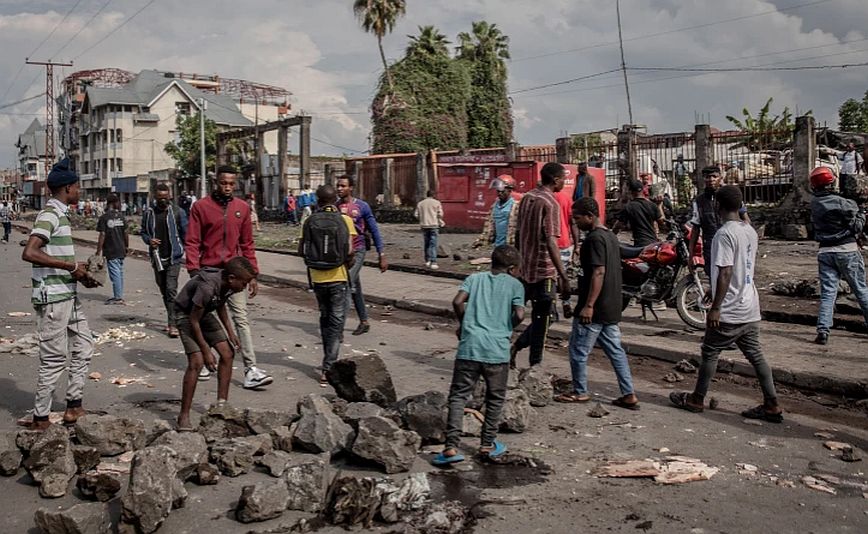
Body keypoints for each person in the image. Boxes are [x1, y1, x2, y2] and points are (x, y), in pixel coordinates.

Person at [670, 185, 782, 423]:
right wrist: (713, 290)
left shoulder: (723, 234)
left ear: (717, 206)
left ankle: (696, 400)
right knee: (756, 356)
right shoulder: (749, 230)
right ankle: (772, 404)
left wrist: (717, 307)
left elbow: (726, 272)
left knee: (710, 353)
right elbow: (739, 268)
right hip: (749, 306)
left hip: (729, 309)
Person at [20, 158, 99, 431]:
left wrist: (80, 275)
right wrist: (70, 267)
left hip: (67, 294)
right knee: (54, 358)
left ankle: (73, 405)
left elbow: (56, 257)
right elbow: (30, 252)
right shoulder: (50, 215)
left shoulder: (60, 214)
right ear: (67, 188)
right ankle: (41, 418)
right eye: (77, 187)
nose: (80, 191)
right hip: (53, 298)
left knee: (85, 345)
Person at [432, 245, 525, 466]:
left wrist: (465, 323)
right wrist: (506, 326)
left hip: (470, 347)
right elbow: (520, 314)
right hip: (497, 351)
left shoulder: (475, 279)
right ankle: (487, 444)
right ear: (512, 269)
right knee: (494, 398)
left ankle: (451, 447)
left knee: (458, 396)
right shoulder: (515, 285)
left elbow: (457, 301)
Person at [186, 165, 273, 390]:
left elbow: (247, 244)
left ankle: (251, 369)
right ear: (216, 182)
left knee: (241, 318)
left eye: (231, 184)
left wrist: (252, 274)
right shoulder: (201, 207)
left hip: (235, 274)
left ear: (236, 184)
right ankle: (205, 360)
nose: (227, 187)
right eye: (223, 183)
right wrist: (194, 269)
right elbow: (193, 240)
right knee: (202, 318)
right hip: (208, 272)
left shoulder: (242, 209)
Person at [554, 197, 639, 408]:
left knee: (578, 350)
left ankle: (580, 391)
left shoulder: (594, 240)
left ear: (590, 217)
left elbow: (598, 271)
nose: (575, 222)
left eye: (578, 218)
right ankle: (628, 393)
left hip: (595, 308)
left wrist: (588, 305)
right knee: (615, 351)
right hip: (610, 305)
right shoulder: (610, 236)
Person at [174, 257, 256, 431]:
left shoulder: (228, 285)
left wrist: (230, 332)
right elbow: (194, 320)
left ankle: (221, 406)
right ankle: (184, 415)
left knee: (228, 353)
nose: (245, 287)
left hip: (204, 313)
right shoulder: (207, 287)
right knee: (196, 361)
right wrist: (206, 351)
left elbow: (220, 305)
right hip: (186, 315)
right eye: (244, 283)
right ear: (232, 278)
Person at [511, 162, 571, 367]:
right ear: (555, 180)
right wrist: (563, 276)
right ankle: (533, 365)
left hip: (525, 269)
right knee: (544, 320)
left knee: (524, 316)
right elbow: (552, 242)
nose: (564, 182)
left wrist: (518, 262)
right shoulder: (550, 203)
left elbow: (518, 233)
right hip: (544, 271)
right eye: (563, 178)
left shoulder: (528, 197)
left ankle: (508, 349)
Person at [298, 185, 356, 385]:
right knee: (336, 322)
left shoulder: (309, 220)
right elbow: (349, 251)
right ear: (335, 200)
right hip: (338, 277)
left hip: (317, 278)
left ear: (318, 200)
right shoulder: (345, 220)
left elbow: (301, 249)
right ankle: (328, 366)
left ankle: (327, 360)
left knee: (324, 318)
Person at [808, 166, 868, 345]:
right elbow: (856, 226)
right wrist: (862, 213)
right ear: (831, 182)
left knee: (828, 293)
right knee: (861, 289)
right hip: (847, 250)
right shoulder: (844, 203)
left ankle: (823, 330)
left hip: (825, 252)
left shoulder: (814, 204)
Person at [336, 175, 388, 336]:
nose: (339, 189)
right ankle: (364, 321)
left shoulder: (362, 206)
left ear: (351, 187)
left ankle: (337, 329)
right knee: (354, 287)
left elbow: (374, 230)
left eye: (343, 186)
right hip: (342, 253)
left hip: (358, 250)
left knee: (345, 284)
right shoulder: (335, 207)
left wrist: (382, 254)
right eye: (338, 186)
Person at [141, 183, 188, 338]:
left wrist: (187, 251)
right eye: (160, 198)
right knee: (164, 290)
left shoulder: (177, 212)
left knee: (171, 290)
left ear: (169, 197)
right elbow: (143, 232)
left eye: (165, 198)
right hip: (157, 258)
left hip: (174, 257)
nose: (163, 201)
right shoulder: (149, 213)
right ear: (155, 197)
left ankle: (173, 324)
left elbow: (185, 233)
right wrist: (149, 240)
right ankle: (174, 315)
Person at [688, 166, 751, 277]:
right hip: (711, 248)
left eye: (714, 176)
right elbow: (695, 229)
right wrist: (691, 255)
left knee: (735, 276)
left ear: (720, 178)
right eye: (708, 177)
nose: (711, 179)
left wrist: (748, 241)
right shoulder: (699, 202)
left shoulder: (730, 196)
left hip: (732, 244)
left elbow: (746, 220)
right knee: (714, 278)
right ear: (703, 179)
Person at [555, 180, 581, 319]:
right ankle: (565, 302)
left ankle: (551, 306)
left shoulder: (543, 198)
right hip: (565, 243)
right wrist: (576, 245)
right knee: (563, 276)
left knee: (550, 277)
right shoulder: (565, 198)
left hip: (550, 244)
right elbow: (573, 223)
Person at [96, 193, 128, 305]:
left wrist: (98, 251)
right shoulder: (121, 217)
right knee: (119, 272)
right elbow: (126, 233)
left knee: (115, 274)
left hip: (111, 249)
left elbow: (102, 235)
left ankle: (118, 297)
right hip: (121, 249)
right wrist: (126, 246)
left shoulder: (104, 218)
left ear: (108, 203)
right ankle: (119, 294)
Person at [472, 175, 521, 249]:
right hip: (498, 247)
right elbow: (488, 227)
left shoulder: (516, 206)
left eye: (502, 191)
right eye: (498, 191)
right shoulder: (494, 206)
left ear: (510, 190)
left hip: (511, 246)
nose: (499, 193)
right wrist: (480, 242)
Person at [614, 179, 664, 247]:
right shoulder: (652, 205)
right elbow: (662, 222)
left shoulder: (629, 207)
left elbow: (617, 226)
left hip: (640, 244)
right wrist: (659, 205)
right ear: (643, 189)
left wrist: (611, 237)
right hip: (653, 243)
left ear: (630, 191)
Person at [414, 190, 445, 269]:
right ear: (433, 195)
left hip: (424, 225)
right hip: (434, 225)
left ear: (426, 195)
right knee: (433, 243)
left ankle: (427, 260)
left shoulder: (420, 203)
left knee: (426, 243)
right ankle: (433, 261)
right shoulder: (437, 203)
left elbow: (416, 215)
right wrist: (439, 219)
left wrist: (422, 219)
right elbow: (440, 214)